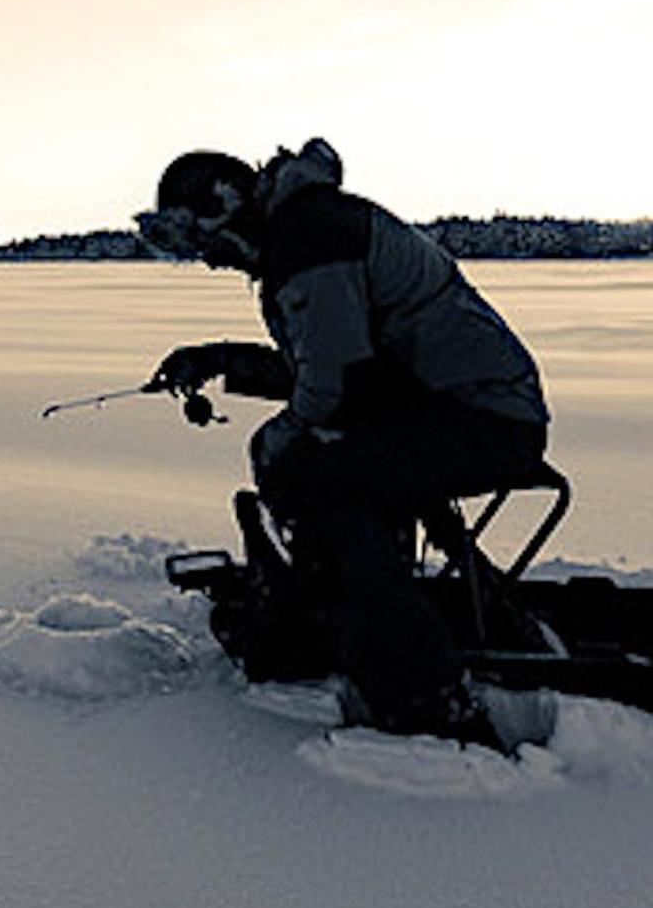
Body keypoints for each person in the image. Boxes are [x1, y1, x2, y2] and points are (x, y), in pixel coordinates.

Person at [136, 137, 548, 743]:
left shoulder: (308, 238)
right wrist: (220, 359)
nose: (210, 261)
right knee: (326, 461)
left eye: (203, 242)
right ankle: (356, 614)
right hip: (453, 408)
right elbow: (330, 367)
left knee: (316, 477)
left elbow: (337, 388)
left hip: (484, 418)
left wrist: (279, 441)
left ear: (224, 208)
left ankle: (423, 693)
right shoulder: (300, 231)